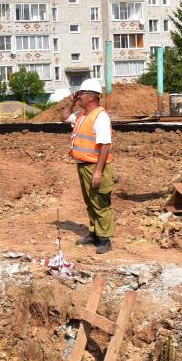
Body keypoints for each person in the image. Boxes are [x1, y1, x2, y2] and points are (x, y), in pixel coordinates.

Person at [60, 78, 114, 254]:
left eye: (81, 94)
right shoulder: (82, 115)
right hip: (83, 165)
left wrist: (98, 171)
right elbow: (64, 117)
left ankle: (105, 239)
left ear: (91, 97)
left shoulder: (100, 116)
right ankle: (94, 233)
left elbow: (105, 144)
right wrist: (72, 102)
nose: (79, 96)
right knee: (90, 202)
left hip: (95, 166)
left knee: (100, 202)